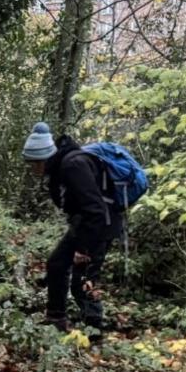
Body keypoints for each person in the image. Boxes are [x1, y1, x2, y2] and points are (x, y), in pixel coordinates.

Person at [23, 121, 126, 332]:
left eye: (35, 163)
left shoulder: (73, 165)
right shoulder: (59, 168)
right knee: (57, 264)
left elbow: (96, 209)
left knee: (83, 279)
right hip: (84, 224)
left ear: (46, 158)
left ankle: (94, 331)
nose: (33, 169)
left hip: (100, 226)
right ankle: (56, 319)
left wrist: (83, 249)